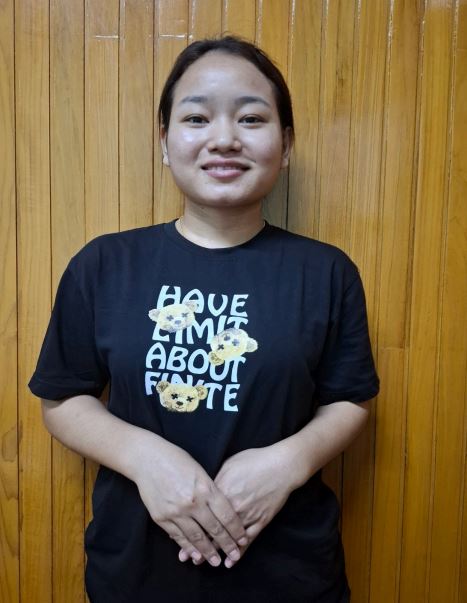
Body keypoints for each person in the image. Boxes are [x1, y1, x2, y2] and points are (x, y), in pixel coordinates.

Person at [29, 36, 379, 603]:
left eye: (251, 118)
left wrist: (288, 463)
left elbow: (350, 400)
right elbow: (62, 398)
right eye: (196, 118)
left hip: (289, 574)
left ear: (286, 145)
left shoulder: (326, 271)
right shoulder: (105, 264)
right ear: (165, 143)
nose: (224, 139)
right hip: (138, 573)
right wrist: (147, 460)